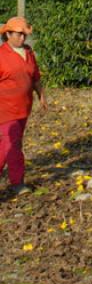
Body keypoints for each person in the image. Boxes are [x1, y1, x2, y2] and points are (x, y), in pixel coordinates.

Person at [0, 16, 48, 195]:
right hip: (5, 108)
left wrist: (41, 95)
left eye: (24, 35)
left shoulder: (28, 53)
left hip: (23, 107)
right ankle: (17, 183)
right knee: (14, 144)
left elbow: (35, 77)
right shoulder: (1, 55)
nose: (22, 38)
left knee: (7, 144)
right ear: (8, 34)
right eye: (19, 34)